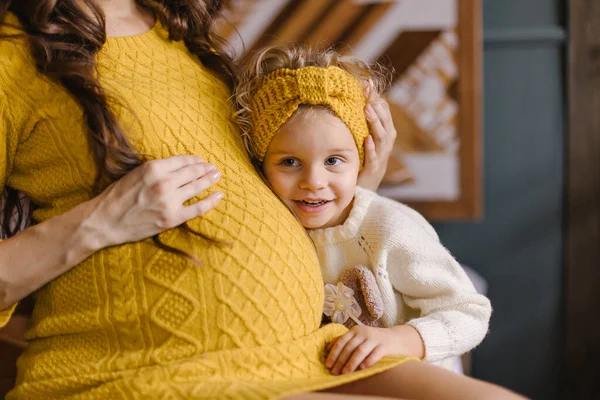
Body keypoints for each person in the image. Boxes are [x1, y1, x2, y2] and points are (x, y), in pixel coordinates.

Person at [0, 1, 524, 399]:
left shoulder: (182, 40)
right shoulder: (12, 56)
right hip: (155, 372)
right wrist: (98, 222)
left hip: (308, 353)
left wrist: (361, 184)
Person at [234, 45, 492, 376]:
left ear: (362, 158)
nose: (313, 181)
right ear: (261, 164)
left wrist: (400, 340)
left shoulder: (389, 228)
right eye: (289, 162)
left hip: (417, 378)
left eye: (333, 161)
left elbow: (468, 311)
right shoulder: (276, 228)